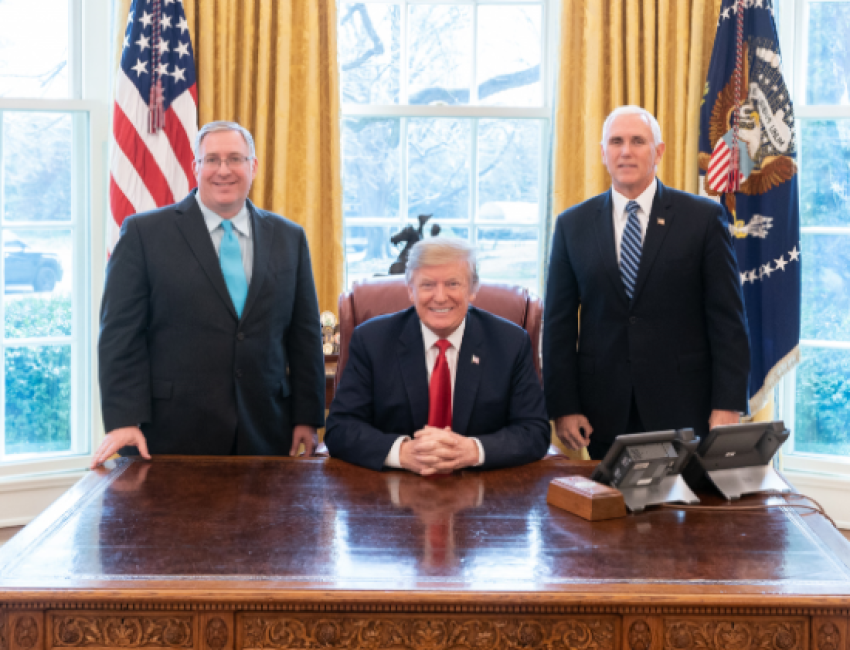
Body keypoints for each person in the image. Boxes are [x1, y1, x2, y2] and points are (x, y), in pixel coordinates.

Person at [92, 121, 325, 467]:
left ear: (253, 166)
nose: (223, 170)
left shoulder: (289, 237)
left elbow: (304, 335)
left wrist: (306, 416)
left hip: (267, 430)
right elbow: (120, 335)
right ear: (196, 167)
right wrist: (125, 419)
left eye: (235, 159)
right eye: (212, 160)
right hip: (172, 432)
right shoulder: (145, 234)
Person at [543, 105, 750, 460]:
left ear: (658, 151)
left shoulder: (702, 219)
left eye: (638, 141)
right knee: (610, 513)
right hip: (602, 411)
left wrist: (728, 403)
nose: (626, 151)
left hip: (685, 407)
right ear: (603, 153)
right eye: (616, 141)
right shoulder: (571, 225)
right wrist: (564, 407)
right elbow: (559, 325)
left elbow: (728, 321)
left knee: (684, 512)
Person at [324, 238, 550, 474]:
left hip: (484, 489)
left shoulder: (510, 343)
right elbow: (341, 428)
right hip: (391, 490)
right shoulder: (372, 340)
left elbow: (534, 431)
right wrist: (401, 453)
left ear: (473, 289)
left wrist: (473, 450)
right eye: (428, 285)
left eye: (453, 284)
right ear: (411, 290)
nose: (440, 297)